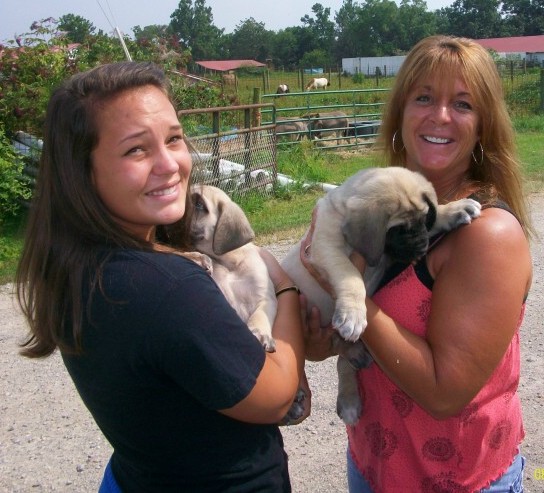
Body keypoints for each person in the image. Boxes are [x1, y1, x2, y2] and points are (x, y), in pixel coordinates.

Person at [15, 61, 308, 492]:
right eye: (136, 149)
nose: (169, 164)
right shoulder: (165, 286)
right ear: (82, 172)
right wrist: (286, 289)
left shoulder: (79, 263)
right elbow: (276, 395)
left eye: (174, 138)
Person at [303, 35, 533, 492]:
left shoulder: (488, 234)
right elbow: (336, 337)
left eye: (463, 104)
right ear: (400, 113)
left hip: (458, 481)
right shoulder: (376, 203)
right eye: (423, 97)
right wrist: (321, 338)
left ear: (484, 124)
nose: (440, 115)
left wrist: (351, 301)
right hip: (372, 465)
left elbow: (444, 394)